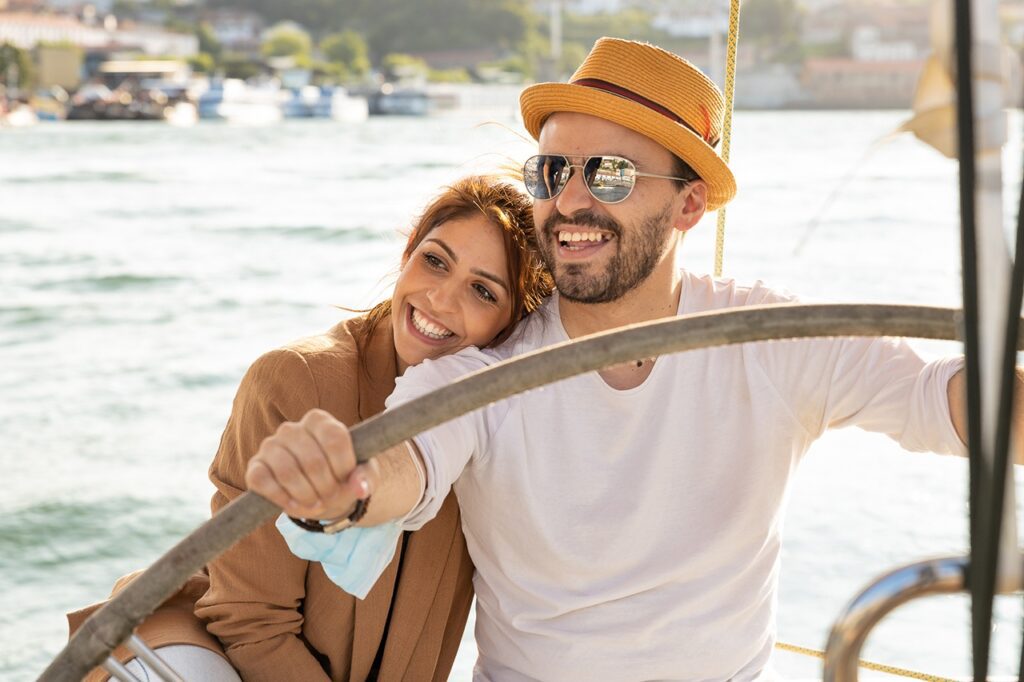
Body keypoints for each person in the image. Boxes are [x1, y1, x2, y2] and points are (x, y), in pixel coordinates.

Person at [244, 37, 992, 681]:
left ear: (690, 206)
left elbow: (940, 401)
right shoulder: (490, 369)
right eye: (550, 172)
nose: (568, 202)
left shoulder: (766, 336)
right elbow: (407, 459)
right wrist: (341, 483)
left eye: (609, 175)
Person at [67, 176, 553, 682]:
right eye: (434, 260)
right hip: (205, 658)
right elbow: (249, 621)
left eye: (481, 290)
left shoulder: (494, 417)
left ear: (513, 324)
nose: (440, 299)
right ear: (408, 251)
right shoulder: (295, 379)